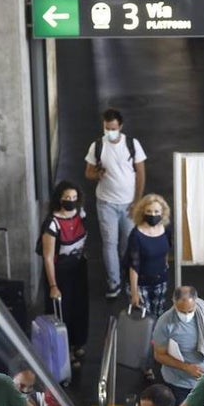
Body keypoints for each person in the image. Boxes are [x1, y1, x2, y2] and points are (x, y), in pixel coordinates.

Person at [85, 108, 147, 300]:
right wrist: (98, 174)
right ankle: (114, 282)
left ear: (120, 126)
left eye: (113, 128)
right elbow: (88, 172)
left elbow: (140, 174)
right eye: (106, 128)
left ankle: (130, 280)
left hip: (128, 204)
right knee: (110, 244)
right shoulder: (97, 146)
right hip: (106, 204)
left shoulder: (132, 145)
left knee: (127, 245)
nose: (109, 132)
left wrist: (137, 201)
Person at [39, 180, 90, 368]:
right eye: (67, 198)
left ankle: (78, 342)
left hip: (78, 267)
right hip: (60, 272)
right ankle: (64, 349)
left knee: (79, 307)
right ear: (59, 198)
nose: (71, 201)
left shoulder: (80, 214)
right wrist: (53, 285)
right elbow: (48, 257)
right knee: (62, 311)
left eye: (74, 198)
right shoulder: (52, 224)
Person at [151, 286, 204, 406]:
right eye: (182, 312)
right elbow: (158, 355)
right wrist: (186, 367)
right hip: (178, 384)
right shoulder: (164, 323)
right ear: (174, 301)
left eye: (190, 310)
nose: (187, 315)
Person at [126, 193, 171, 315]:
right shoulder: (136, 235)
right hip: (141, 284)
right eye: (149, 211)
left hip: (160, 281)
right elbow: (134, 265)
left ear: (162, 212)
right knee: (145, 318)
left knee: (159, 316)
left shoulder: (165, 230)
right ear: (142, 212)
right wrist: (134, 292)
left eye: (157, 212)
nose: (153, 215)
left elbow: (166, 249)